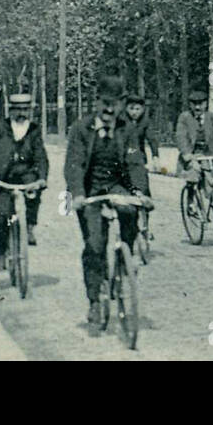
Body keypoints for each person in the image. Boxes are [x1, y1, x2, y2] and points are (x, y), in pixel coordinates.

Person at [64, 74, 151, 334]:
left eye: (115, 103)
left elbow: (135, 163)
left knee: (129, 213)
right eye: (105, 102)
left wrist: (140, 192)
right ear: (96, 102)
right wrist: (77, 194)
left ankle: (125, 258)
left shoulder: (128, 130)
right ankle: (93, 300)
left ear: (122, 104)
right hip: (90, 191)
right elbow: (74, 164)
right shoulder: (81, 129)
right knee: (94, 246)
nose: (109, 108)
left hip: (118, 186)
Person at [0, 93, 49, 270]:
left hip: (25, 175)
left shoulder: (34, 130)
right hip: (2, 178)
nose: (21, 113)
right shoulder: (0, 128)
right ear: (10, 110)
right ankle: (2, 252)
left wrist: (42, 177)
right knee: (4, 216)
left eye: (25, 109)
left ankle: (30, 226)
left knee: (34, 194)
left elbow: (41, 156)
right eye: (17, 109)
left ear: (29, 111)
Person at [175, 89, 213, 210]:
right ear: (190, 105)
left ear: (206, 104)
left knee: (212, 183)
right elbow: (181, 136)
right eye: (194, 104)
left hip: (208, 155)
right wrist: (186, 153)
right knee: (194, 175)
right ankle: (190, 201)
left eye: (201, 103)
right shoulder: (184, 117)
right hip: (192, 154)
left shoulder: (212, 117)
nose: (198, 107)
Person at [124, 94, 160, 165]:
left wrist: (155, 155)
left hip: (139, 157)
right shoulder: (121, 121)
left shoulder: (145, 122)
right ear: (126, 108)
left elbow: (152, 139)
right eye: (131, 108)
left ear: (143, 109)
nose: (134, 112)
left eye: (137, 109)